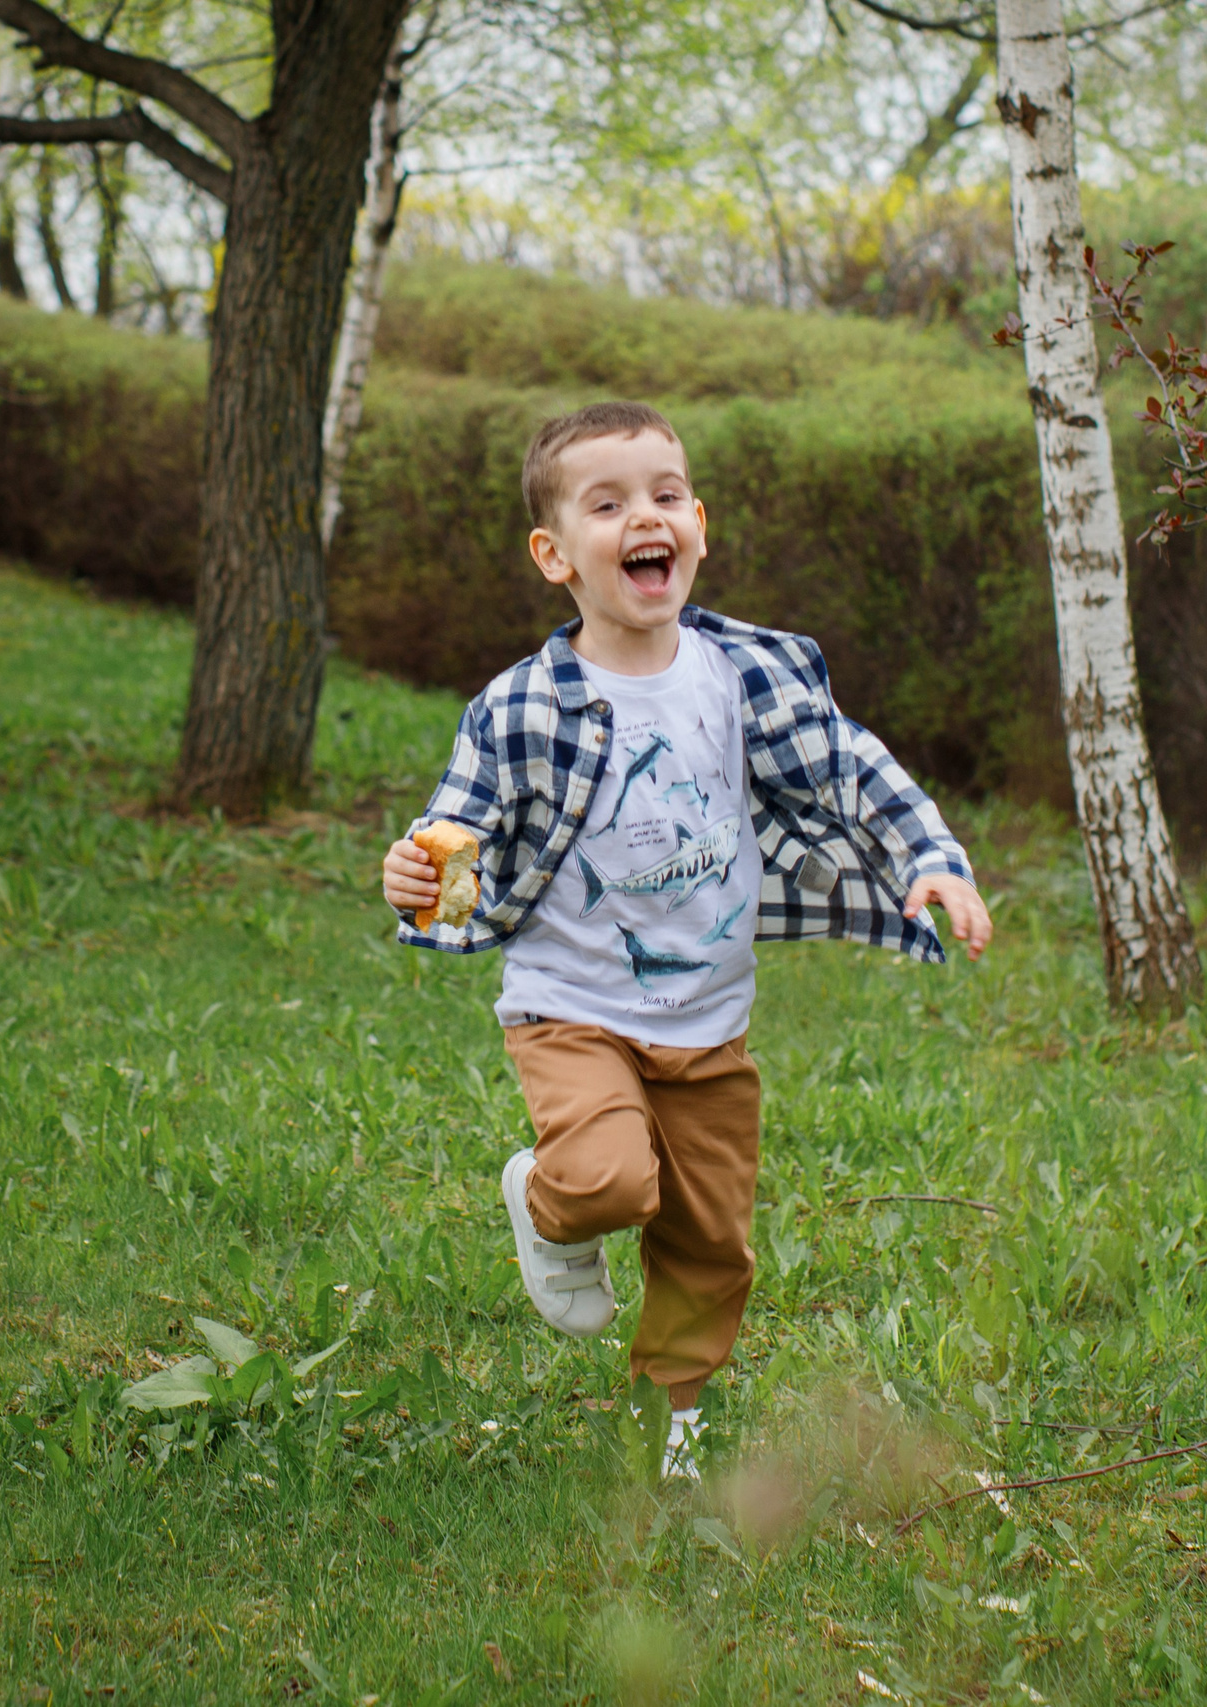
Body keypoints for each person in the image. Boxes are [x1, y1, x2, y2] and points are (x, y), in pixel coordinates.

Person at [379, 400, 991, 1479]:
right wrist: (418, 882)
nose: (644, 518)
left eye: (665, 496)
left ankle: (673, 1421)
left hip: (710, 1019)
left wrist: (931, 859)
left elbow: (853, 766)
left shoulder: (744, 678)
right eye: (607, 504)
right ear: (554, 555)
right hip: (571, 1006)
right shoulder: (523, 706)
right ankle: (548, 1198)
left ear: (698, 525)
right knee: (614, 1179)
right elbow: (455, 836)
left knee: (710, 1242)